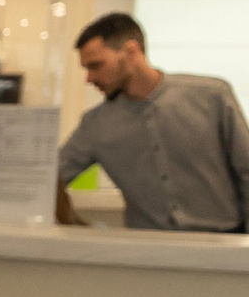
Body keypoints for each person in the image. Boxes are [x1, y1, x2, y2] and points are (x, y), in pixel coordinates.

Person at [55, 12, 249, 231]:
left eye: (96, 66)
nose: (89, 78)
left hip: (224, 246)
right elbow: (49, 176)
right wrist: (71, 222)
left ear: (131, 51)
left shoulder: (213, 96)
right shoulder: (95, 125)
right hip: (148, 252)